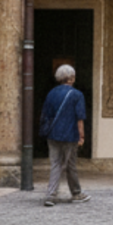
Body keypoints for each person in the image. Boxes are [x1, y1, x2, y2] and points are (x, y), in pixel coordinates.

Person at [40, 64, 90, 207]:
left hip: (52, 133)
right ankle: (76, 193)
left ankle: (50, 195)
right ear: (72, 78)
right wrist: (82, 136)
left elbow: (45, 114)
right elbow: (79, 118)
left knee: (55, 164)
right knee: (70, 164)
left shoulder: (51, 93)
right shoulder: (77, 94)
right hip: (70, 134)